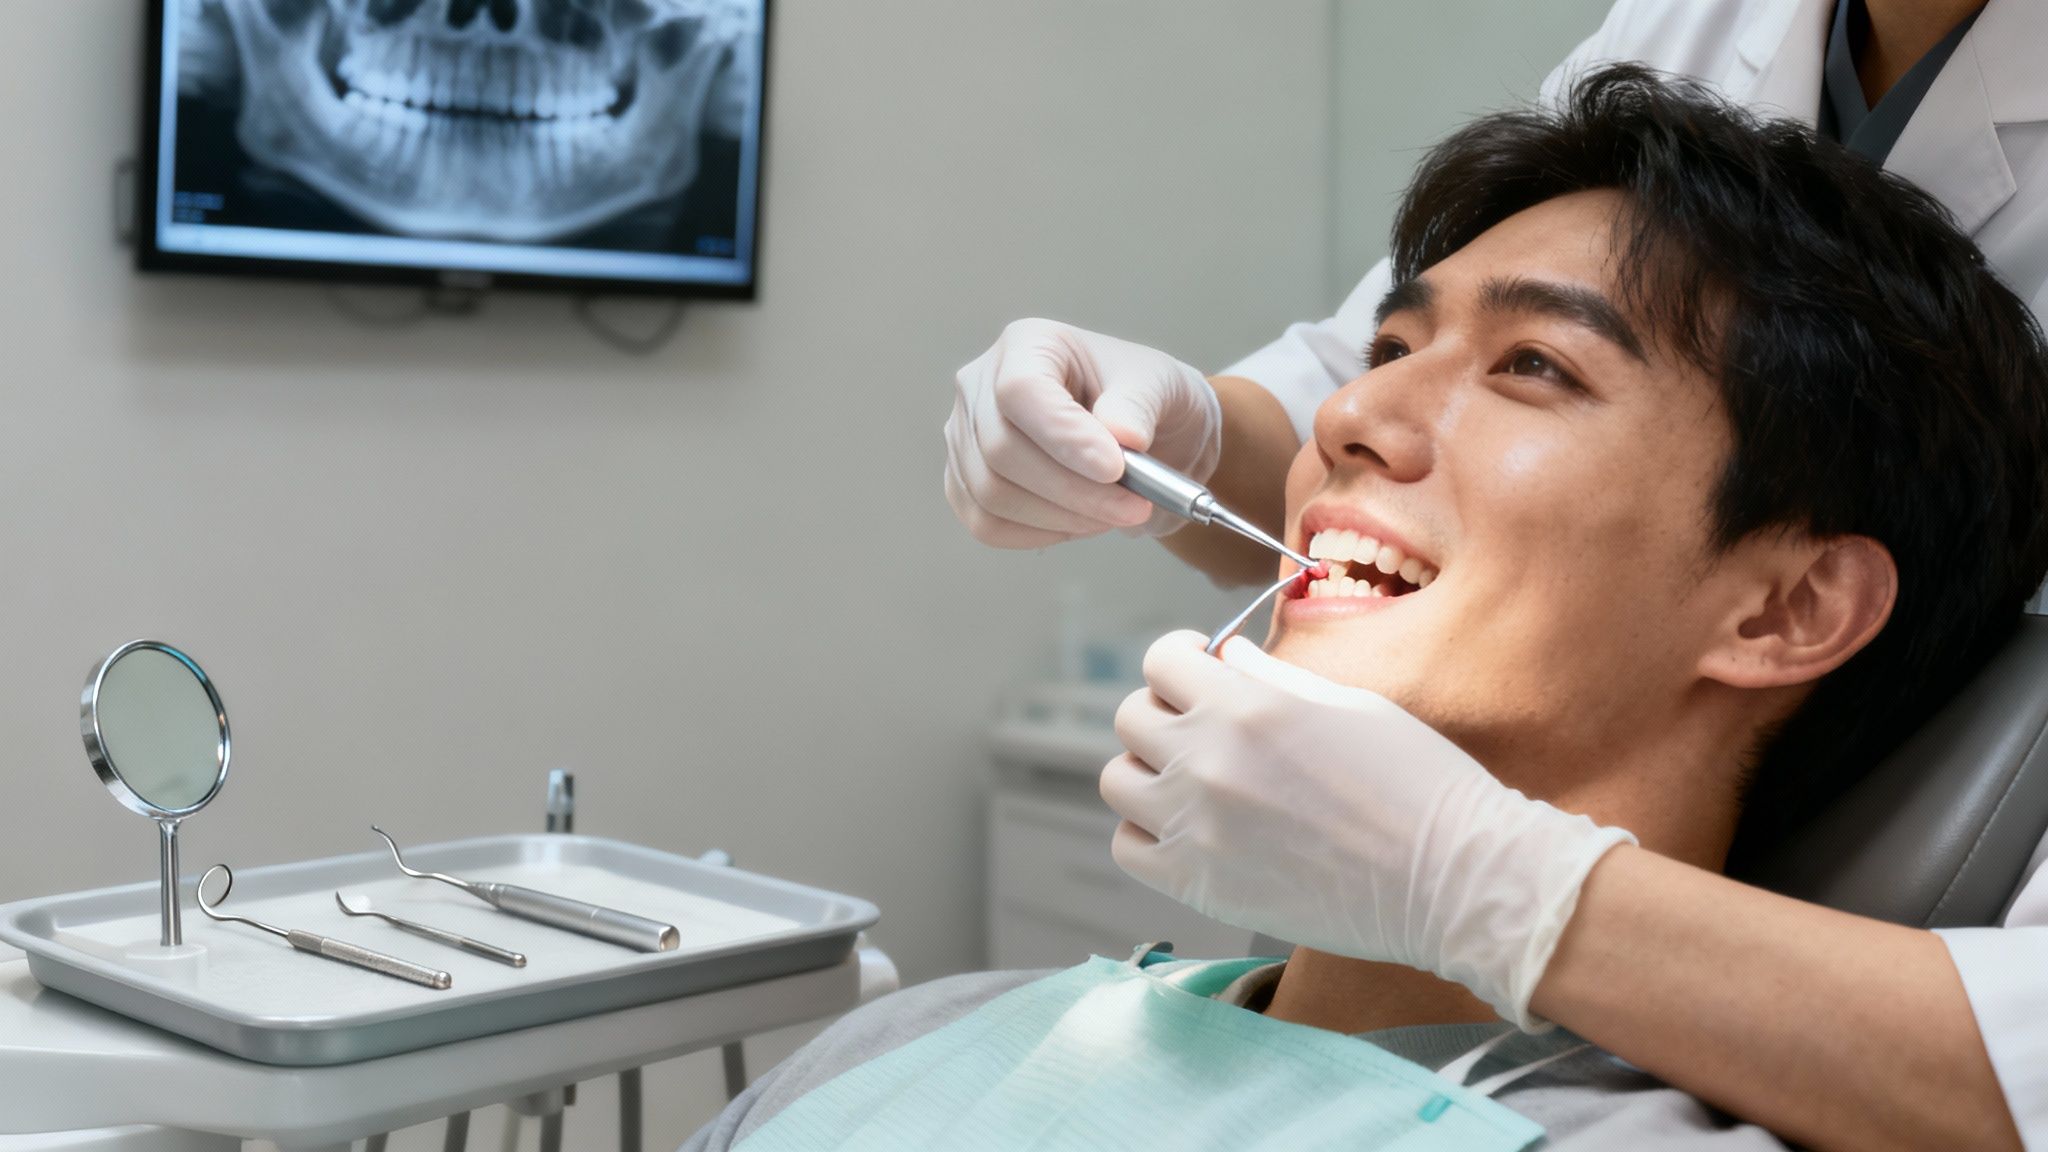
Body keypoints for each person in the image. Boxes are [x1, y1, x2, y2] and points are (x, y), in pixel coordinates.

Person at [691, 66, 2048, 1150]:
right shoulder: (894, 1050)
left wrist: (1474, 875)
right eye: (1392, 348)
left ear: (1787, 607)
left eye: (1532, 365)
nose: (1348, 412)